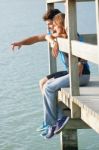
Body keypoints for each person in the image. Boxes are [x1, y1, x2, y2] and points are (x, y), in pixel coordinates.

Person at [38, 13, 90, 139]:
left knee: (49, 88)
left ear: (62, 26)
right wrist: (55, 41)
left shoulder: (74, 37)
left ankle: (50, 124)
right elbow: (52, 35)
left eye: (55, 26)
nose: (53, 28)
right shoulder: (62, 37)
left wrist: (81, 63)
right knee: (46, 84)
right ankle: (60, 117)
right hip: (72, 74)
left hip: (81, 76)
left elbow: (82, 57)